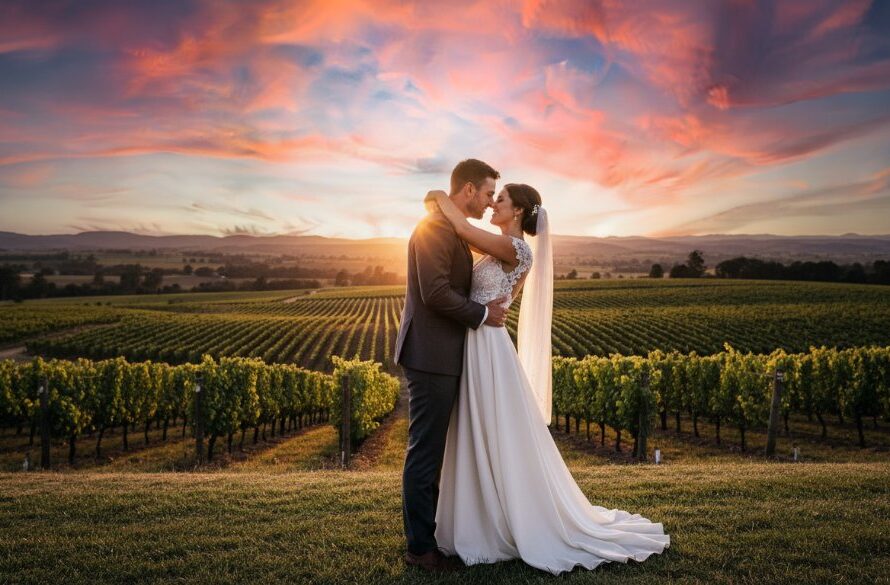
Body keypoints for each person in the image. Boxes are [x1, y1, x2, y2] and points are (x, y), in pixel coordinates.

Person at [427, 184, 671, 575]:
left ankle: (501, 522)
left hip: (488, 348)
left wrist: (439, 196)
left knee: (494, 430)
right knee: (477, 431)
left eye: (500, 199)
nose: (492, 204)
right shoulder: (497, 247)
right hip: (478, 343)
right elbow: (460, 240)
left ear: (519, 211)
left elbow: (462, 228)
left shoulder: (516, 249)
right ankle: (479, 518)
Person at [394, 159, 510, 572]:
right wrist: (482, 314)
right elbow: (436, 292)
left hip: (444, 355)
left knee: (435, 451)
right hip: (430, 356)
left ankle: (435, 536)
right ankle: (420, 549)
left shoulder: (449, 225)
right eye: (486, 193)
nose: (489, 202)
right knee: (425, 452)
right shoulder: (436, 229)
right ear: (466, 191)